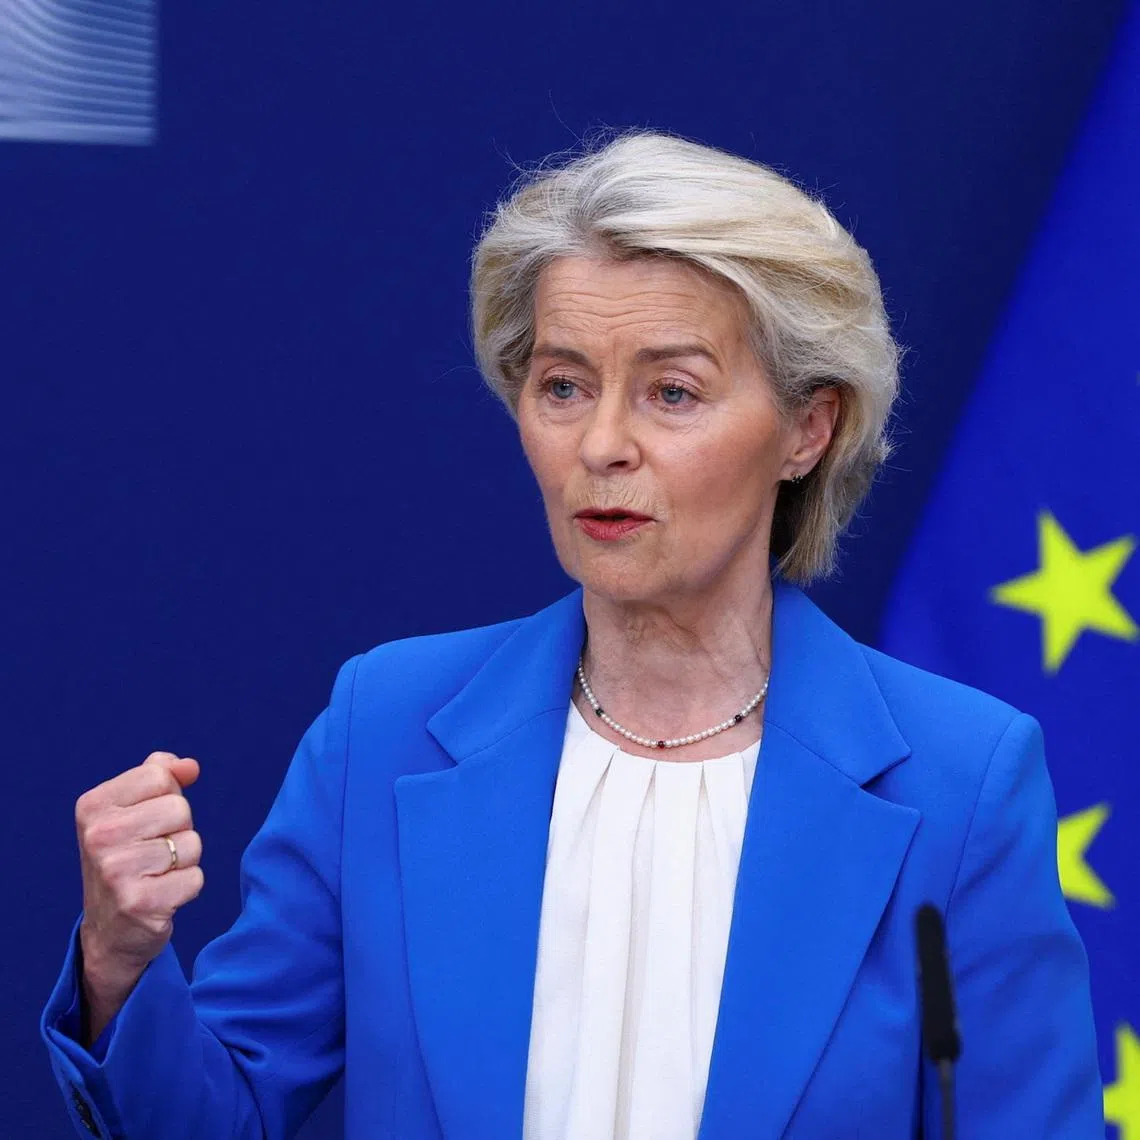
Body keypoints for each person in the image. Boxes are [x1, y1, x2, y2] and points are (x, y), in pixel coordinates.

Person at [41, 130, 1103, 1139]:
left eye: (671, 392)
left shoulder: (959, 781)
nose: (602, 444)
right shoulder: (389, 727)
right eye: (563, 386)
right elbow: (211, 1117)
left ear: (807, 428)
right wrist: (122, 963)